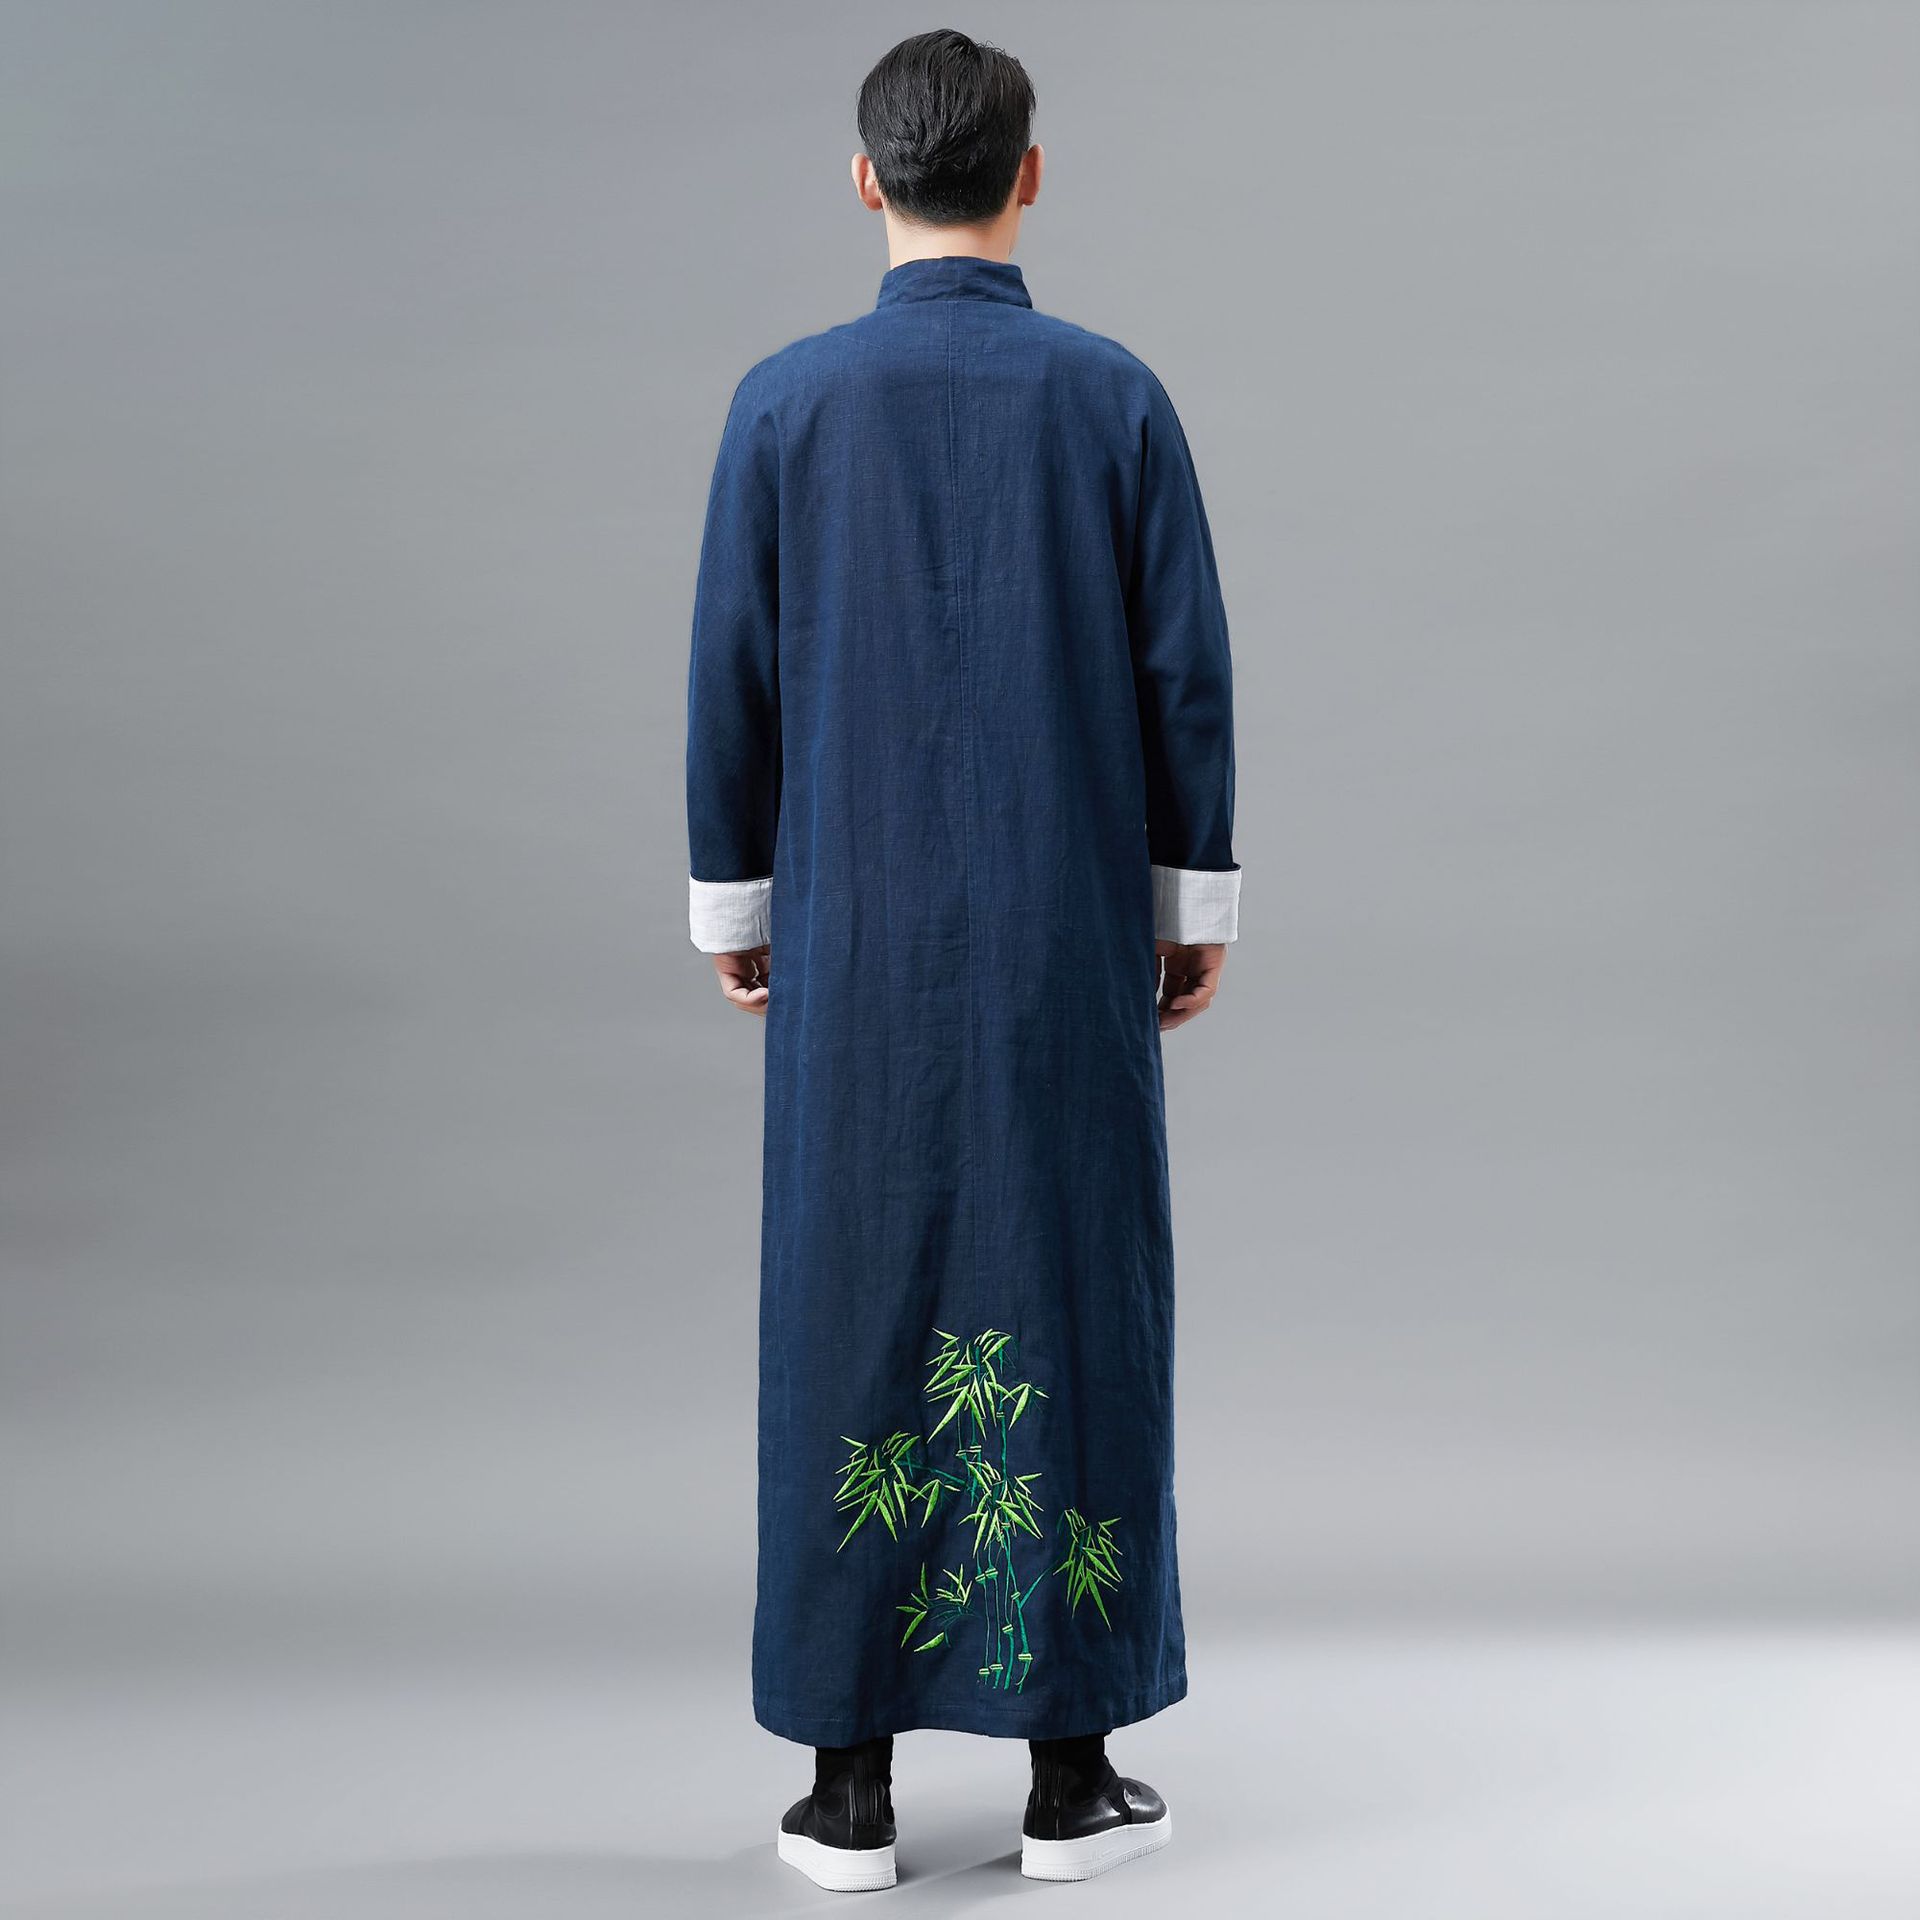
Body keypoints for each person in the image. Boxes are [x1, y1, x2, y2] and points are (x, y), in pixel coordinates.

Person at [685, 28, 1238, 1890]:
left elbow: (734, 676)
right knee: (1069, 1292)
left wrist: (739, 905)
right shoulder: (1112, 398)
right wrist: (1188, 911)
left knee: (851, 1297)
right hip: (1062, 936)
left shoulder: (785, 405)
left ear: (866, 179)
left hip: (856, 940)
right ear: (1030, 173)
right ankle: (1071, 1777)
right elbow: (1181, 677)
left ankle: (846, 1789)